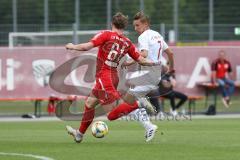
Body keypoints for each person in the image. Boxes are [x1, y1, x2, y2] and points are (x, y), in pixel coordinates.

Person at [65, 12, 161, 143]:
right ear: (125, 26)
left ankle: (138, 103)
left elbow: (86, 46)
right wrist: (154, 63)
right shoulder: (127, 42)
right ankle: (79, 134)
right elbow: (141, 59)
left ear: (112, 23)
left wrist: (72, 46)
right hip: (112, 76)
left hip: (105, 77)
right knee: (89, 104)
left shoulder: (105, 34)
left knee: (111, 115)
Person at [123, 12, 174, 128]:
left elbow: (144, 54)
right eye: (134, 26)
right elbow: (170, 53)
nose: (135, 29)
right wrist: (171, 68)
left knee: (126, 99)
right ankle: (142, 101)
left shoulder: (143, 36)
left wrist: (130, 61)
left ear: (145, 24)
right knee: (125, 89)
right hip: (154, 75)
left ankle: (145, 113)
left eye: (137, 25)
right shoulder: (158, 35)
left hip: (148, 75)